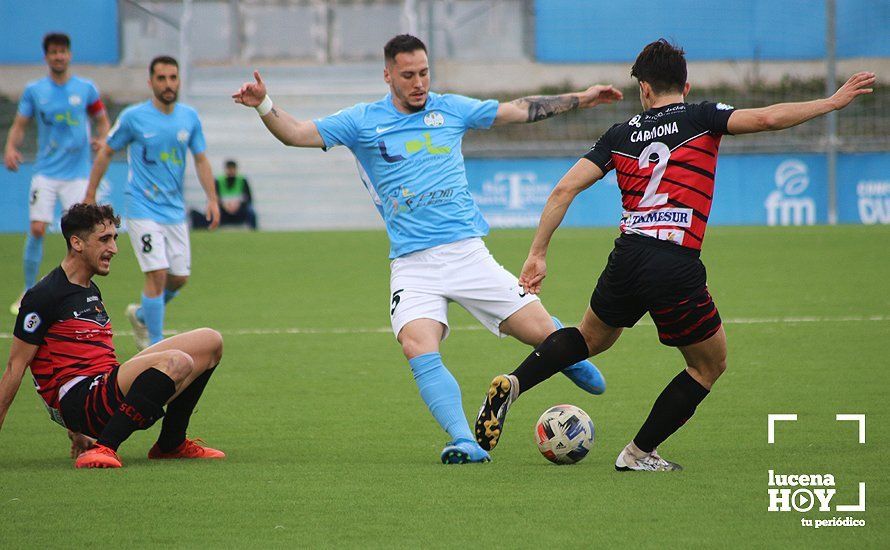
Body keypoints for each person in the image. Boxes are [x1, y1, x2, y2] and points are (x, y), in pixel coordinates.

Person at [474, 39, 876, 471]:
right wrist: (831, 102)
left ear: (644, 89)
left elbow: (563, 190)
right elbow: (766, 117)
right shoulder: (702, 116)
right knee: (709, 365)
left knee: (590, 338)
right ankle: (638, 453)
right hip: (673, 259)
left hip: (628, 255)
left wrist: (537, 254)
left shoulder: (621, 134)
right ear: (686, 85)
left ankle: (514, 383)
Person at [233, 34, 622, 464]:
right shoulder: (362, 121)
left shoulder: (450, 108)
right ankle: (465, 441)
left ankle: (561, 350)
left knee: (549, 338)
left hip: (467, 255)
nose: (419, 82)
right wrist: (265, 104)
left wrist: (582, 99)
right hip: (413, 265)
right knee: (417, 344)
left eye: (423, 73)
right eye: (408, 75)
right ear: (388, 75)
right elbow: (296, 133)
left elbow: (518, 110)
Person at [0, 203, 226, 469]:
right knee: (178, 362)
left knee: (211, 341)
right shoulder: (44, 295)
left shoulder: (89, 289)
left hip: (104, 387)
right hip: (81, 400)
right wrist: (72, 424)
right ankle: (105, 446)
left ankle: (171, 443)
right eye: (104, 239)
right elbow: (16, 366)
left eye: (115, 239)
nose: (114, 249)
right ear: (77, 243)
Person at [85, 55, 220, 351]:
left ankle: (143, 315)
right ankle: (156, 347)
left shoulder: (189, 117)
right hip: (142, 206)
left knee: (179, 277)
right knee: (157, 273)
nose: (168, 84)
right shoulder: (134, 117)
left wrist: (212, 199)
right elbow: (107, 151)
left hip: (174, 210)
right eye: (162, 78)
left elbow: (200, 159)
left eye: (173, 77)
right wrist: (90, 193)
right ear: (151, 82)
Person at [4, 33, 110, 316]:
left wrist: (103, 139)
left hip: (78, 175)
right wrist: (11, 147)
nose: (59, 56)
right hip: (46, 173)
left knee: (84, 234)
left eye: (63, 51)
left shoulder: (85, 89)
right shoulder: (35, 91)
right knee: (37, 228)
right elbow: (20, 123)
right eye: (53, 52)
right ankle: (28, 290)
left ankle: (82, 290)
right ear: (46, 57)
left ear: (69, 55)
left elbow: (101, 120)